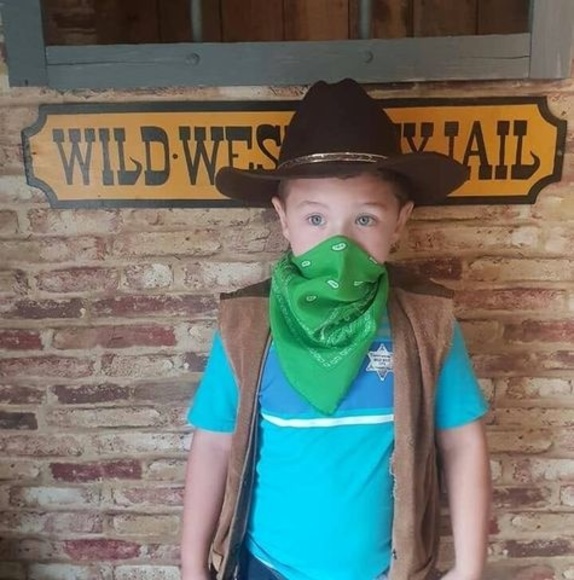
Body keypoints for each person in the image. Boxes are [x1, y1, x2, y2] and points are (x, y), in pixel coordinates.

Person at [180, 79, 491, 580]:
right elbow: (214, 444)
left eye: (365, 219)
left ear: (400, 221)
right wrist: (192, 564)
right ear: (283, 219)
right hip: (267, 568)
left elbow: (461, 442)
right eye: (316, 219)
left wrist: (470, 567)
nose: (338, 244)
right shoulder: (246, 326)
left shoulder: (426, 324)